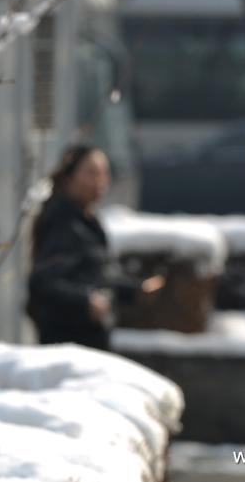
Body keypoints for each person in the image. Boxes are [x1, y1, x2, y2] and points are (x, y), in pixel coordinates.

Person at [27, 145, 164, 350]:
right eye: (92, 172)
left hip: (88, 342)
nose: (101, 180)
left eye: (104, 173)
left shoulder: (86, 221)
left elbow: (96, 277)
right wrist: (86, 301)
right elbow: (43, 281)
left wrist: (135, 290)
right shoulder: (64, 222)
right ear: (69, 176)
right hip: (67, 346)